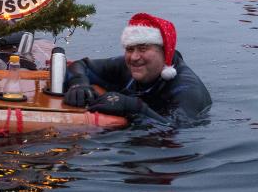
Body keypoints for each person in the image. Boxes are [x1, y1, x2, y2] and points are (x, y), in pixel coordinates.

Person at [63, 13, 211, 124]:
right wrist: (79, 84)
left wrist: (132, 107)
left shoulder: (188, 89)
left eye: (143, 48)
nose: (134, 57)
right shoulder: (129, 66)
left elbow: (177, 127)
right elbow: (82, 65)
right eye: (129, 49)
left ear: (165, 52)